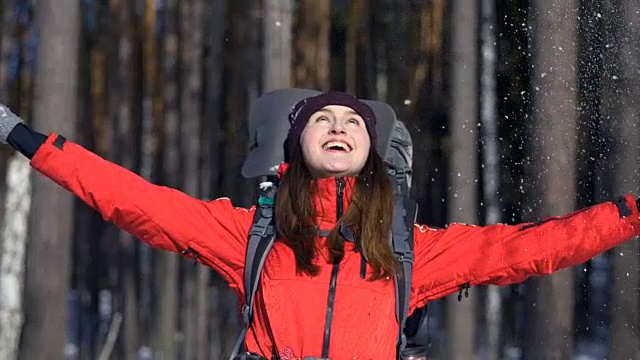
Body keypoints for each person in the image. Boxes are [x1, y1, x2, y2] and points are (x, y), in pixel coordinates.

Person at [0, 92, 639, 360]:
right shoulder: (254, 235)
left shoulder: (408, 250)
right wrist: (26, 139)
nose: (338, 127)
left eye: (353, 122)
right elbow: (130, 199)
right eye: (323, 120)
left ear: (371, 148)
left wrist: (631, 214)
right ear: (296, 146)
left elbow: (529, 248)